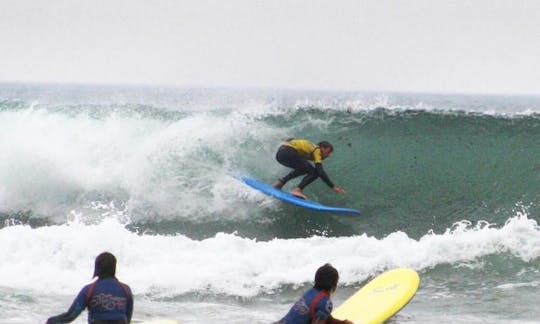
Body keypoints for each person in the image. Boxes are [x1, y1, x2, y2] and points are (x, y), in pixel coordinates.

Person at [46, 252, 134, 324]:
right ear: (114, 267)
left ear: (97, 268)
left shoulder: (89, 290)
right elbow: (127, 318)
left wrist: (50, 321)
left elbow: (70, 316)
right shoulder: (126, 290)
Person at [276, 263, 353, 324]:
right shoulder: (325, 303)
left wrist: (342, 323)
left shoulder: (310, 293)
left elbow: (324, 316)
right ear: (334, 284)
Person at [273, 138, 346, 199]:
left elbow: (291, 140)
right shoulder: (317, 150)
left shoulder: (311, 147)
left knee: (303, 168)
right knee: (315, 172)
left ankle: (281, 182)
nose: (328, 155)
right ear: (322, 148)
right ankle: (297, 190)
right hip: (289, 152)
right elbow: (320, 171)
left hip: (280, 155)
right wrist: (333, 186)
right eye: (328, 152)